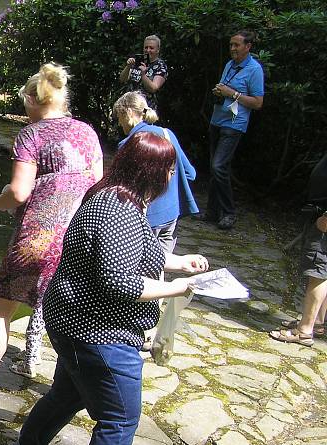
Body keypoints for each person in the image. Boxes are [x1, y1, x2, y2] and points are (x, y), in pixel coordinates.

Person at [9, 132, 210, 445]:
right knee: (119, 416)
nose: (173, 175)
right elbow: (118, 280)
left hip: (74, 321)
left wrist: (179, 263)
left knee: (67, 394)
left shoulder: (121, 199)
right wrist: (177, 288)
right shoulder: (118, 208)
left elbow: (138, 254)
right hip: (97, 331)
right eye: (169, 169)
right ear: (153, 172)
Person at [0, 62, 103, 408]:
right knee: (70, 315)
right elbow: (97, 184)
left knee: (1, 311)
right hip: (80, 235)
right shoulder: (87, 133)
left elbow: (18, 193)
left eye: (25, 102)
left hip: (37, 240)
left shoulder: (31, 135)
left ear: (34, 100)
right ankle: (70, 392)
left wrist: (0, 199)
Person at [114, 91, 197, 253]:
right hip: (171, 215)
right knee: (162, 265)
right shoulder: (167, 134)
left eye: (119, 116)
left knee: (144, 271)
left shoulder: (128, 144)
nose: (119, 122)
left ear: (129, 113)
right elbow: (190, 173)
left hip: (146, 221)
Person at [205, 30, 264, 230]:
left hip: (234, 124)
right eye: (231, 45)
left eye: (236, 45)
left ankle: (229, 213)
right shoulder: (230, 65)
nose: (232, 49)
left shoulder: (255, 70)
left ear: (248, 47)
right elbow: (225, 89)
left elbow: (257, 102)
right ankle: (212, 212)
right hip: (217, 119)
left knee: (218, 166)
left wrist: (233, 94)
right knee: (215, 168)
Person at [269, 153, 327, 347]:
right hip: (319, 218)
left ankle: (304, 331)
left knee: (318, 272)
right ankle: (316, 323)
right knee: (323, 273)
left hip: (324, 224)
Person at [119, 35, 168, 112]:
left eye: (151, 48)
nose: (148, 50)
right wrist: (128, 67)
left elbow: (153, 88)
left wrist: (143, 74)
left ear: (157, 50)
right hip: (130, 107)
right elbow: (122, 79)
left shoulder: (160, 65)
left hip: (147, 109)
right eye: (146, 47)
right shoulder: (138, 61)